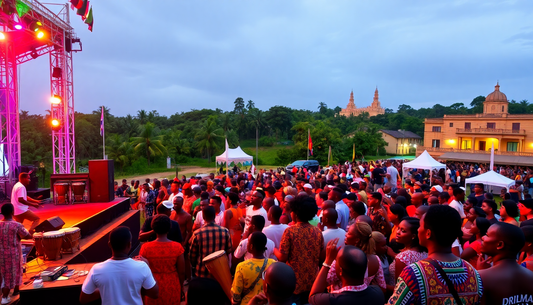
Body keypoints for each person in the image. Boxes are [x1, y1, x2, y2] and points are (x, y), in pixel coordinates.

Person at [388, 205, 483, 305]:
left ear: (428, 233)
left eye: (420, 226)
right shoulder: (473, 273)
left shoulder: (414, 273)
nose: (418, 230)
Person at [80, 226, 159, 304]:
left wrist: (105, 289)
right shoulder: (142, 267)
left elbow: (84, 298)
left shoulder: (97, 269)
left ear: (109, 245)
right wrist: (135, 287)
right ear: (129, 245)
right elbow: (154, 294)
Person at [274, 195, 324, 304]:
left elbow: (282, 257)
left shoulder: (290, 231)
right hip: (312, 280)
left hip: (293, 281)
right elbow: (321, 256)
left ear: (295, 213)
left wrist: (273, 249)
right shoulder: (317, 231)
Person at [309, 241, 384, 305]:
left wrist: (327, 262)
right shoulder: (378, 293)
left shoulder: (332, 300)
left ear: (341, 271)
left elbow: (313, 296)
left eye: (336, 262)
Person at [478, 222, 533, 304]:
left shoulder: (481, 277)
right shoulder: (530, 276)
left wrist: (479, 275)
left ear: (500, 245)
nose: (482, 237)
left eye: (487, 235)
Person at [326, 221, 386, 292]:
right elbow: (382, 286)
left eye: (348, 233)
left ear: (357, 240)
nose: (345, 234)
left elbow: (326, 281)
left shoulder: (343, 258)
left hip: (340, 299)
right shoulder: (376, 259)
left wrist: (328, 260)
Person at [140, 215, 185, 305]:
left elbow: (142, 271)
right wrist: (181, 287)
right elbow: (181, 272)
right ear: (169, 228)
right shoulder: (177, 247)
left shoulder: (145, 247)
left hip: (152, 286)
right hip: (172, 285)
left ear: (153, 228)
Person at [231, 232, 276, 305]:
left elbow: (236, 297)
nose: (247, 244)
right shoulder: (273, 264)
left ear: (251, 246)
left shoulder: (242, 267)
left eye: (248, 241)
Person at [189, 206, 232, 278]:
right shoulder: (225, 231)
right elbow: (229, 252)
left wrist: (194, 265)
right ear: (214, 215)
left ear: (203, 216)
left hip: (202, 272)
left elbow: (192, 255)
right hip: (220, 273)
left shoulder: (197, 233)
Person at [0, 203, 31, 305]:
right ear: (12, 212)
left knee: (2, 275)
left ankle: (15, 290)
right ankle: (4, 297)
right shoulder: (16, 225)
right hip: (12, 254)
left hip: (1, 253)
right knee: (10, 274)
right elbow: (27, 235)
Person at [389, 217, 428, 285]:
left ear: (413, 236)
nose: (398, 232)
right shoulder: (425, 252)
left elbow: (399, 287)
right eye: (398, 228)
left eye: (403, 231)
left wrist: (381, 286)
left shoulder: (403, 257)